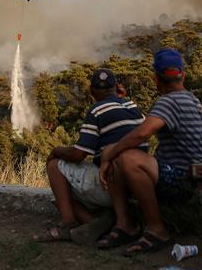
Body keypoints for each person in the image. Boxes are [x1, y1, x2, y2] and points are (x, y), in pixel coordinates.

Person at [98, 49, 202, 256]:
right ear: (183, 75)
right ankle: (125, 225)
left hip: (181, 179)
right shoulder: (191, 99)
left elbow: (142, 134)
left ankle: (157, 230)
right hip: (188, 175)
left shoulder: (169, 101)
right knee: (120, 156)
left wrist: (108, 155)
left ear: (155, 79)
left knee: (128, 158)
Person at [34, 68, 147, 245]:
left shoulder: (96, 111)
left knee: (55, 167)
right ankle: (98, 223)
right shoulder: (133, 106)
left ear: (92, 91)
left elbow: (79, 154)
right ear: (116, 87)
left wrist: (56, 150)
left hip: (111, 185)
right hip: (138, 184)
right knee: (65, 186)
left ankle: (68, 223)